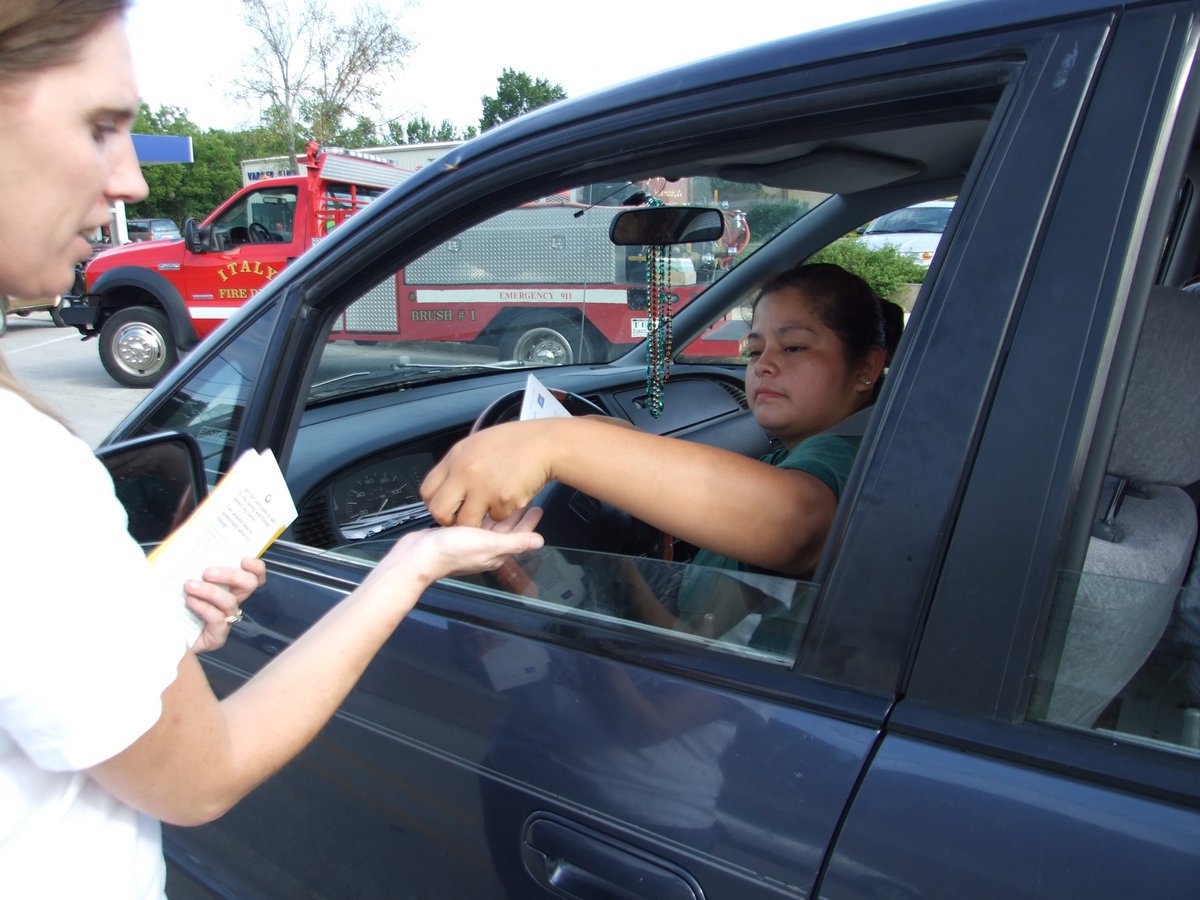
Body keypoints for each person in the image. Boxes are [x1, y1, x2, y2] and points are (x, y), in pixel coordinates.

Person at [0, 4, 544, 898]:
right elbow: (200, 776)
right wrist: (412, 564)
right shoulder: (25, 476)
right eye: (100, 126)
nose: (130, 181)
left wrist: (137, 626)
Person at [422, 263, 902, 631]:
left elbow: (796, 525)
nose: (765, 366)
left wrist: (559, 442)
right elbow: (693, 635)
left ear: (866, 369)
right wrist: (618, 569)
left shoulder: (845, 457)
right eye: (755, 351)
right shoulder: (805, 452)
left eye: (793, 347)